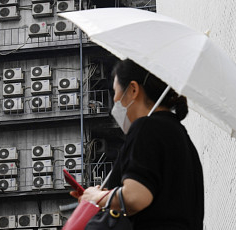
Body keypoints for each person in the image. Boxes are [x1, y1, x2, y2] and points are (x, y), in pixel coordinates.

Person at [71, 59, 204, 230]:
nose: (115, 100)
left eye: (115, 92)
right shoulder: (179, 136)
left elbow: (136, 197)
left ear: (133, 89)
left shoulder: (146, 127)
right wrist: (101, 196)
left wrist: (97, 197)